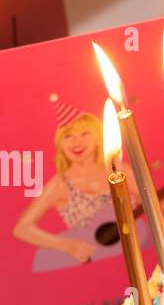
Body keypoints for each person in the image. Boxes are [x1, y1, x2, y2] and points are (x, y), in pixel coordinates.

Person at [13, 95, 143, 271]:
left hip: (137, 253)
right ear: (60, 143)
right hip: (95, 264)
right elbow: (22, 228)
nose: (77, 142)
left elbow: (151, 208)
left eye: (84, 134)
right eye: (68, 136)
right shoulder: (60, 184)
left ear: (98, 139)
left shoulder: (119, 169)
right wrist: (65, 245)